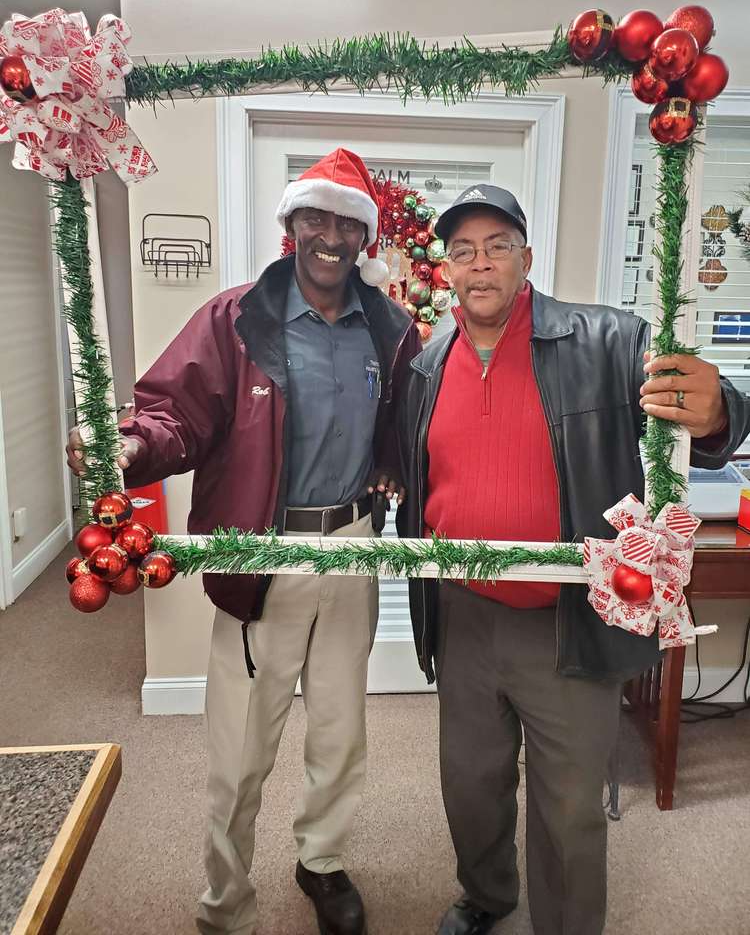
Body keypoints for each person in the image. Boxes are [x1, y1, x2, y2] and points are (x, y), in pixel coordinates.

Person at [67, 148, 419, 935]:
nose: (330, 236)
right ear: (292, 225)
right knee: (239, 752)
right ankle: (226, 902)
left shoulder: (392, 330)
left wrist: (392, 464)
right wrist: (129, 445)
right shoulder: (235, 320)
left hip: (353, 549)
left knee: (340, 729)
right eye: (315, 218)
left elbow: (405, 422)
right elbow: (174, 415)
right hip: (265, 552)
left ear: (363, 237)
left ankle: (321, 861)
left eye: (346, 224)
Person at [395, 184, 750, 935]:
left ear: (526, 257)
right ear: (446, 270)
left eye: (497, 246)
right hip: (462, 615)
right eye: (463, 251)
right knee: (470, 785)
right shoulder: (426, 366)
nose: (480, 264)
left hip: (566, 620)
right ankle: (487, 896)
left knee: (568, 805)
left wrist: (718, 413)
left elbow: (698, 415)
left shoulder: (609, 341)